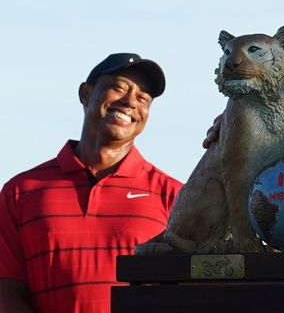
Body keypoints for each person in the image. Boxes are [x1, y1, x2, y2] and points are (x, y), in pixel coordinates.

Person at [0, 53, 183, 313]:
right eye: (119, 87)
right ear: (85, 94)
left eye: (143, 98)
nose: (130, 102)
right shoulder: (21, 191)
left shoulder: (173, 196)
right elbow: (6, 291)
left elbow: (190, 291)